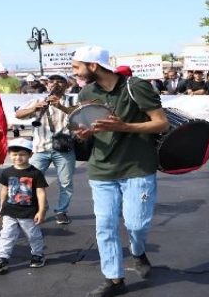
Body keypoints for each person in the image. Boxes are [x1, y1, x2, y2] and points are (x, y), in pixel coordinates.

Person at [70, 45, 169, 297]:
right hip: (101, 169)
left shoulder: (135, 87)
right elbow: (91, 125)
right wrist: (85, 133)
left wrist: (124, 126)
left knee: (136, 223)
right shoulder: (87, 92)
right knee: (104, 225)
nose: (74, 72)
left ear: (93, 65)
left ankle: (137, 250)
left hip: (138, 169)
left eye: (77, 66)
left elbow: (161, 123)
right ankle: (114, 280)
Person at [15, 74, 75, 225]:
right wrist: (34, 108)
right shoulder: (37, 100)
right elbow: (18, 114)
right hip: (40, 147)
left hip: (64, 147)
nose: (55, 84)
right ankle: (41, 206)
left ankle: (61, 211)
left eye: (59, 81)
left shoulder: (74, 100)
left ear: (67, 85)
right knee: (29, 180)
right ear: (47, 85)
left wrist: (60, 106)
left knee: (65, 183)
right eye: (51, 81)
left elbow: (81, 116)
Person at [0, 138, 48, 273]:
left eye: (22, 154)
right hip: (10, 211)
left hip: (29, 212)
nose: (18, 157)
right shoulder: (7, 172)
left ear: (30, 155)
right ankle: (2, 258)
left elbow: (41, 192)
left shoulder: (35, 173)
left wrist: (41, 211)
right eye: (14, 154)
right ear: (10, 154)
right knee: (6, 235)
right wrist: (2, 207)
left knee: (33, 235)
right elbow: (4, 190)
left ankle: (38, 255)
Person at [0, 69, 22, 137]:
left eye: (3, 73)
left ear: (7, 73)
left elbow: (18, 89)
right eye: (0, 73)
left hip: (12, 100)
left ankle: (15, 129)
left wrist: (17, 98)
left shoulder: (13, 79)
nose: (1, 74)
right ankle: (2, 129)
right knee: (1, 115)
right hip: (1, 100)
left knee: (13, 114)